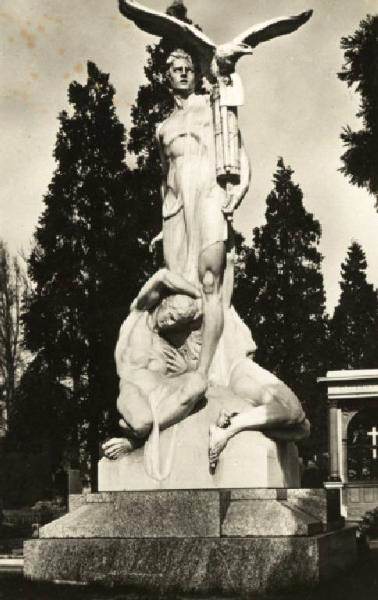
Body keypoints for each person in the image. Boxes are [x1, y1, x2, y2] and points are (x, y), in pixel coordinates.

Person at [103, 269, 309, 464]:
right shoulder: (139, 314)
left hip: (167, 395)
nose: (169, 321)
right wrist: (199, 295)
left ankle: (233, 425)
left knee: (301, 428)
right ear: (164, 302)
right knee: (141, 422)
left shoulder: (170, 344)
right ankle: (137, 439)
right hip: (134, 389)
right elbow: (163, 275)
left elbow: (182, 375)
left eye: (176, 321)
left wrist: (185, 368)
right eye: (171, 314)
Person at [156, 49, 250, 380]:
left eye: (188, 70)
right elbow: (167, 180)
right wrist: (163, 223)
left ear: (196, 76)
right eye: (176, 70)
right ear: (167, 77)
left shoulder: (211, 105)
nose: (183, 74)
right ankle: (186, 359)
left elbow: (236, 146)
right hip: (178, 211)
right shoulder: (163, 127)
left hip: (210, 195)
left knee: (209, 280)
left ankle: (207, 369)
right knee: (180, 290)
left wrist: (240, 187)